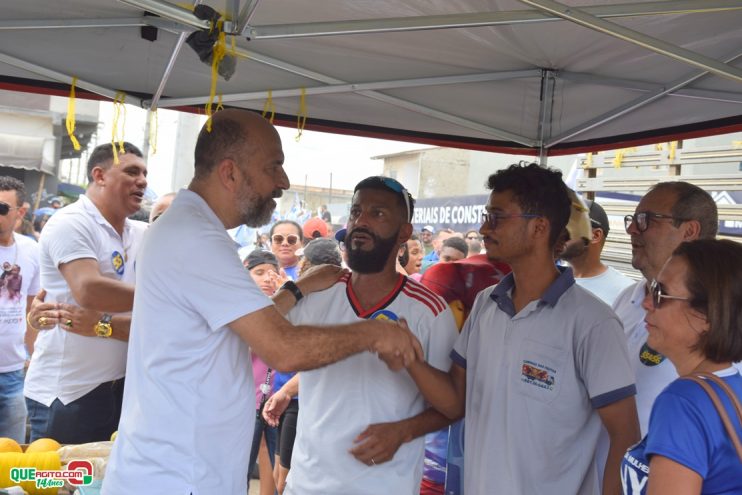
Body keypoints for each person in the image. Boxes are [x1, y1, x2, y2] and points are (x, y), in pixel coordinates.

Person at [102, 110, 421, 495]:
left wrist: (297, 289)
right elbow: (281, 349)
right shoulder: (197, 239)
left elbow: (240, 323)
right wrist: (374, 332)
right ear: (230, 172)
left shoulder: (186, 229)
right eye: (274, 166)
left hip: (179, 468)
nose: (283, 182)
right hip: (178, 475)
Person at [409, 163, 640, 495]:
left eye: (497, 217)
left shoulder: (593, 323)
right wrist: (410, 360)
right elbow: (456, 401)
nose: (484, 228)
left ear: (539, 228)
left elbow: (624, 434)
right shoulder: (487, 303)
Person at [262, 175, 458, 495]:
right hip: (307, 485)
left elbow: (453, 405)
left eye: (378, 213)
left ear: (404, 233)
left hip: (385, 486)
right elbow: (257, 332)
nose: (361, 221)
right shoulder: (317, 293)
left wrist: (405, 430)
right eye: (356, 212)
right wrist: (300, 286)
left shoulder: (429, 311)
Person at [23, 142, 148, 444]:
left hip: (121, 391)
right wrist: (164, 299)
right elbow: (88, 290)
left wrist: (102, 325)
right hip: (68, 394)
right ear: (99, 175)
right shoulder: (71, 222)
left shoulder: (141, 233)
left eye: (144, 173)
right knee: (56, 486)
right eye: (132, 171)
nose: (142, 181)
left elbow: (157, 322)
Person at [621, 239, 742, 495]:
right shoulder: (733, 385)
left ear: (707, 315)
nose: (646, 303)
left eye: (660, 294)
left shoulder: (682, 402)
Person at [614, 182, 719, 437]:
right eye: (633, 219)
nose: (631, 229)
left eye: (646, 219)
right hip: (610, 473)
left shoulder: (723, 317)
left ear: (689, 231)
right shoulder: (627, 298)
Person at [0, 177, 40, 443]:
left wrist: (33, 357)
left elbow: (31, 308)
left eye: (2, 208)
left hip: (14, 373)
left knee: (10, 458)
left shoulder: (31, 250)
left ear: (20, 212)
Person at [243, 249, 281, 495]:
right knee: (242, 463)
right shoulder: (238, 308)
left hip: (278, 399)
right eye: (259, 273)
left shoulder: (289, 306)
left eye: (272, 273)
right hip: (246, 398)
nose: (268, 278)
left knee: (276, 459)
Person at [560, 199, 633, 306]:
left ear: (595, 236)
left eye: (568, 228)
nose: (558, 235)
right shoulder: (548, 281)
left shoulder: (625, 292)